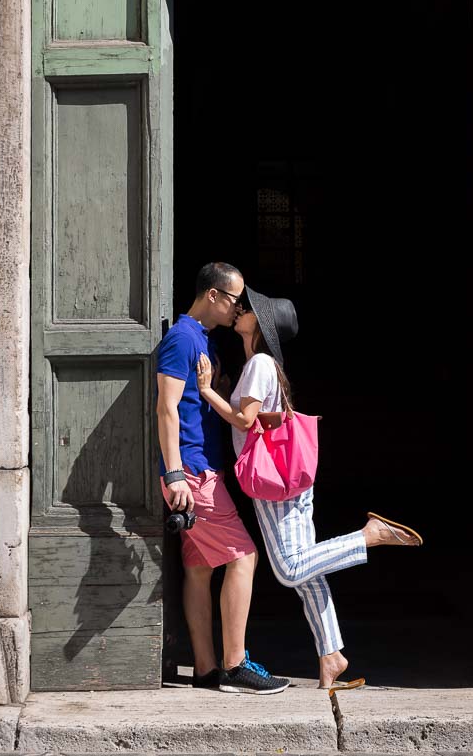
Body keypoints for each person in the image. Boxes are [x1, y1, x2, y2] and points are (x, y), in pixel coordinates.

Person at [196, 285, 422, 689]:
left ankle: (367, 536)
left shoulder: (261, 363)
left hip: (273, 483)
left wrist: (208, 391)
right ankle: (331, 654)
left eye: (247, 309)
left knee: (288, 569)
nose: (240, 310)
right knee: (307, 574)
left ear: (261, 326)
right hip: (287, 481)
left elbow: (246, 421)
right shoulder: (260, 365)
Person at [156, 263, 290, 694]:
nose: (237, 309)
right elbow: (167, 408)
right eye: (234, 300)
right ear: (213, 295)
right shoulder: (181, 339)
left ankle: (205, 668)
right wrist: (175, 473)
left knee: (198, 569)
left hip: (200, 470)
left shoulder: (203, 340)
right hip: (194, 474)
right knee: (244, 557)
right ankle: (235, 665)